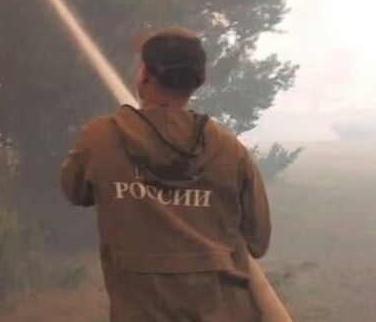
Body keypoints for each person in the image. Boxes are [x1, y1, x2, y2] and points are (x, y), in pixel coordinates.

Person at [59, 27, 271, 321]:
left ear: (143, 74)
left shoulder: (100, 138)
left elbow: (75, 190)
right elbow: (259, 240)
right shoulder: (229, 149)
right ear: (197, 81)